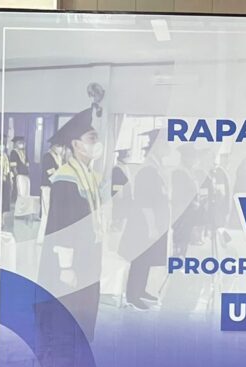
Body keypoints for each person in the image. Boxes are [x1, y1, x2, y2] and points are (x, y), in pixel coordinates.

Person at [38, 107, 105, 342]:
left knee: (86, 308)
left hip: (88, 253)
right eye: (92, 138)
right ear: (77, 144)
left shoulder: (89, 175)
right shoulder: (66, 179)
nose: (97, 143)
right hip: (70, 259)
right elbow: (61, 225)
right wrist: (66, 267)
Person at [120, 130, 169, 310]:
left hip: (153, 223)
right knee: (140, 258)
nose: (168, 148)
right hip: (144, 225)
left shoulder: (156, 168)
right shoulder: (147, 170)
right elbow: (145, 201)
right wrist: (152, 226)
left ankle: (141, 290)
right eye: (165, 144)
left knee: (147, 258)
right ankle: (132, 295)